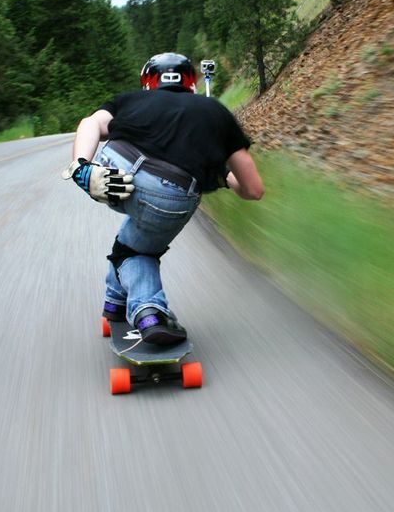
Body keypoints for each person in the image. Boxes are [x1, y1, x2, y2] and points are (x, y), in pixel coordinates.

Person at [65, 53, 264, 345]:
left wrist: (81, 167)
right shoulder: (214, 112)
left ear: (149, 81)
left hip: (114, 173)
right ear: (191, 83)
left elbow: (90, 123)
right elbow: (253, 188)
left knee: (131, 242)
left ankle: (115, 302)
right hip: (169, 192)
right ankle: (150, 313)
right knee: (140, 251)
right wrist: (223, 179)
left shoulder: (130, 100)